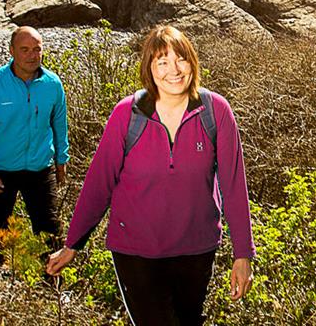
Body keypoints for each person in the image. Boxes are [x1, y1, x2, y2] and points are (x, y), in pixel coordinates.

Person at [46, 24, 254, 326]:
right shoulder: (126, 114)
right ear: (149, 68)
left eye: (181, 59)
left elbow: (234, 186)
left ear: (193, 62)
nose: (174, 70)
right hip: (136, 251)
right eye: (162, 61)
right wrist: (73, 243)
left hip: (195, 248)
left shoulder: (215, 111)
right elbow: (98, 183)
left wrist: (243, 254)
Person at [0, 26, 70, 263]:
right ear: (11, 51)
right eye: (25, 49)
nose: (32, 55)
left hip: (40, 170)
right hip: (0, 172)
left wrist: (62, 160)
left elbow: (59, 124)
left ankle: (51, 286)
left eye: (37, 49)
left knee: (50, 234)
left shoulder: (52, 84)